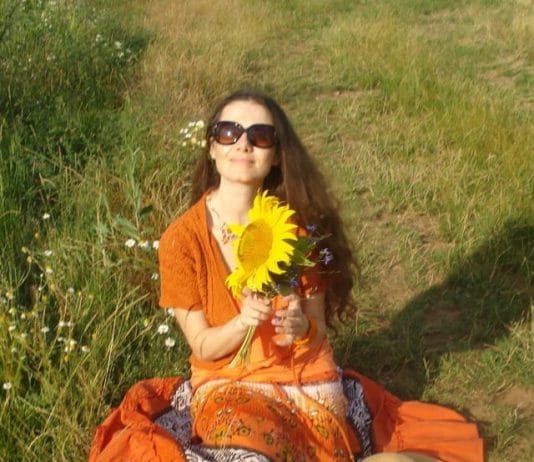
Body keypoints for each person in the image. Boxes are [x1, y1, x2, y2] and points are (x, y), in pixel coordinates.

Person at [89, 90, 484, 462]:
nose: (243, 144)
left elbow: (317, 329)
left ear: (276, 155)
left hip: (303, 380)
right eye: (228, 132)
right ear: (211, 147)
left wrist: (301, 327)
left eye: (260, 136)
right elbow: (204, 347)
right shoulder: (182, 240)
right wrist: (243, 322)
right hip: (228, 384)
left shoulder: (296, 231)